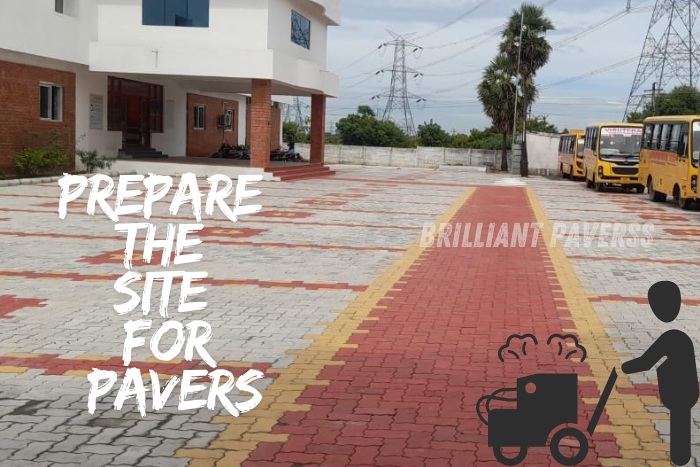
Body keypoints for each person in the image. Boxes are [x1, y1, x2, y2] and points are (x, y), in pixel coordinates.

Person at [622, 281, 698, 466]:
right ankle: (681, 458)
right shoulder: (679, 336)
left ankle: (680, 458)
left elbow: (646, 362)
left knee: (680, 426)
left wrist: (624, 368)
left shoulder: (672, 337)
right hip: (687, 391)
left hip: (677, 391)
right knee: (681, 424)